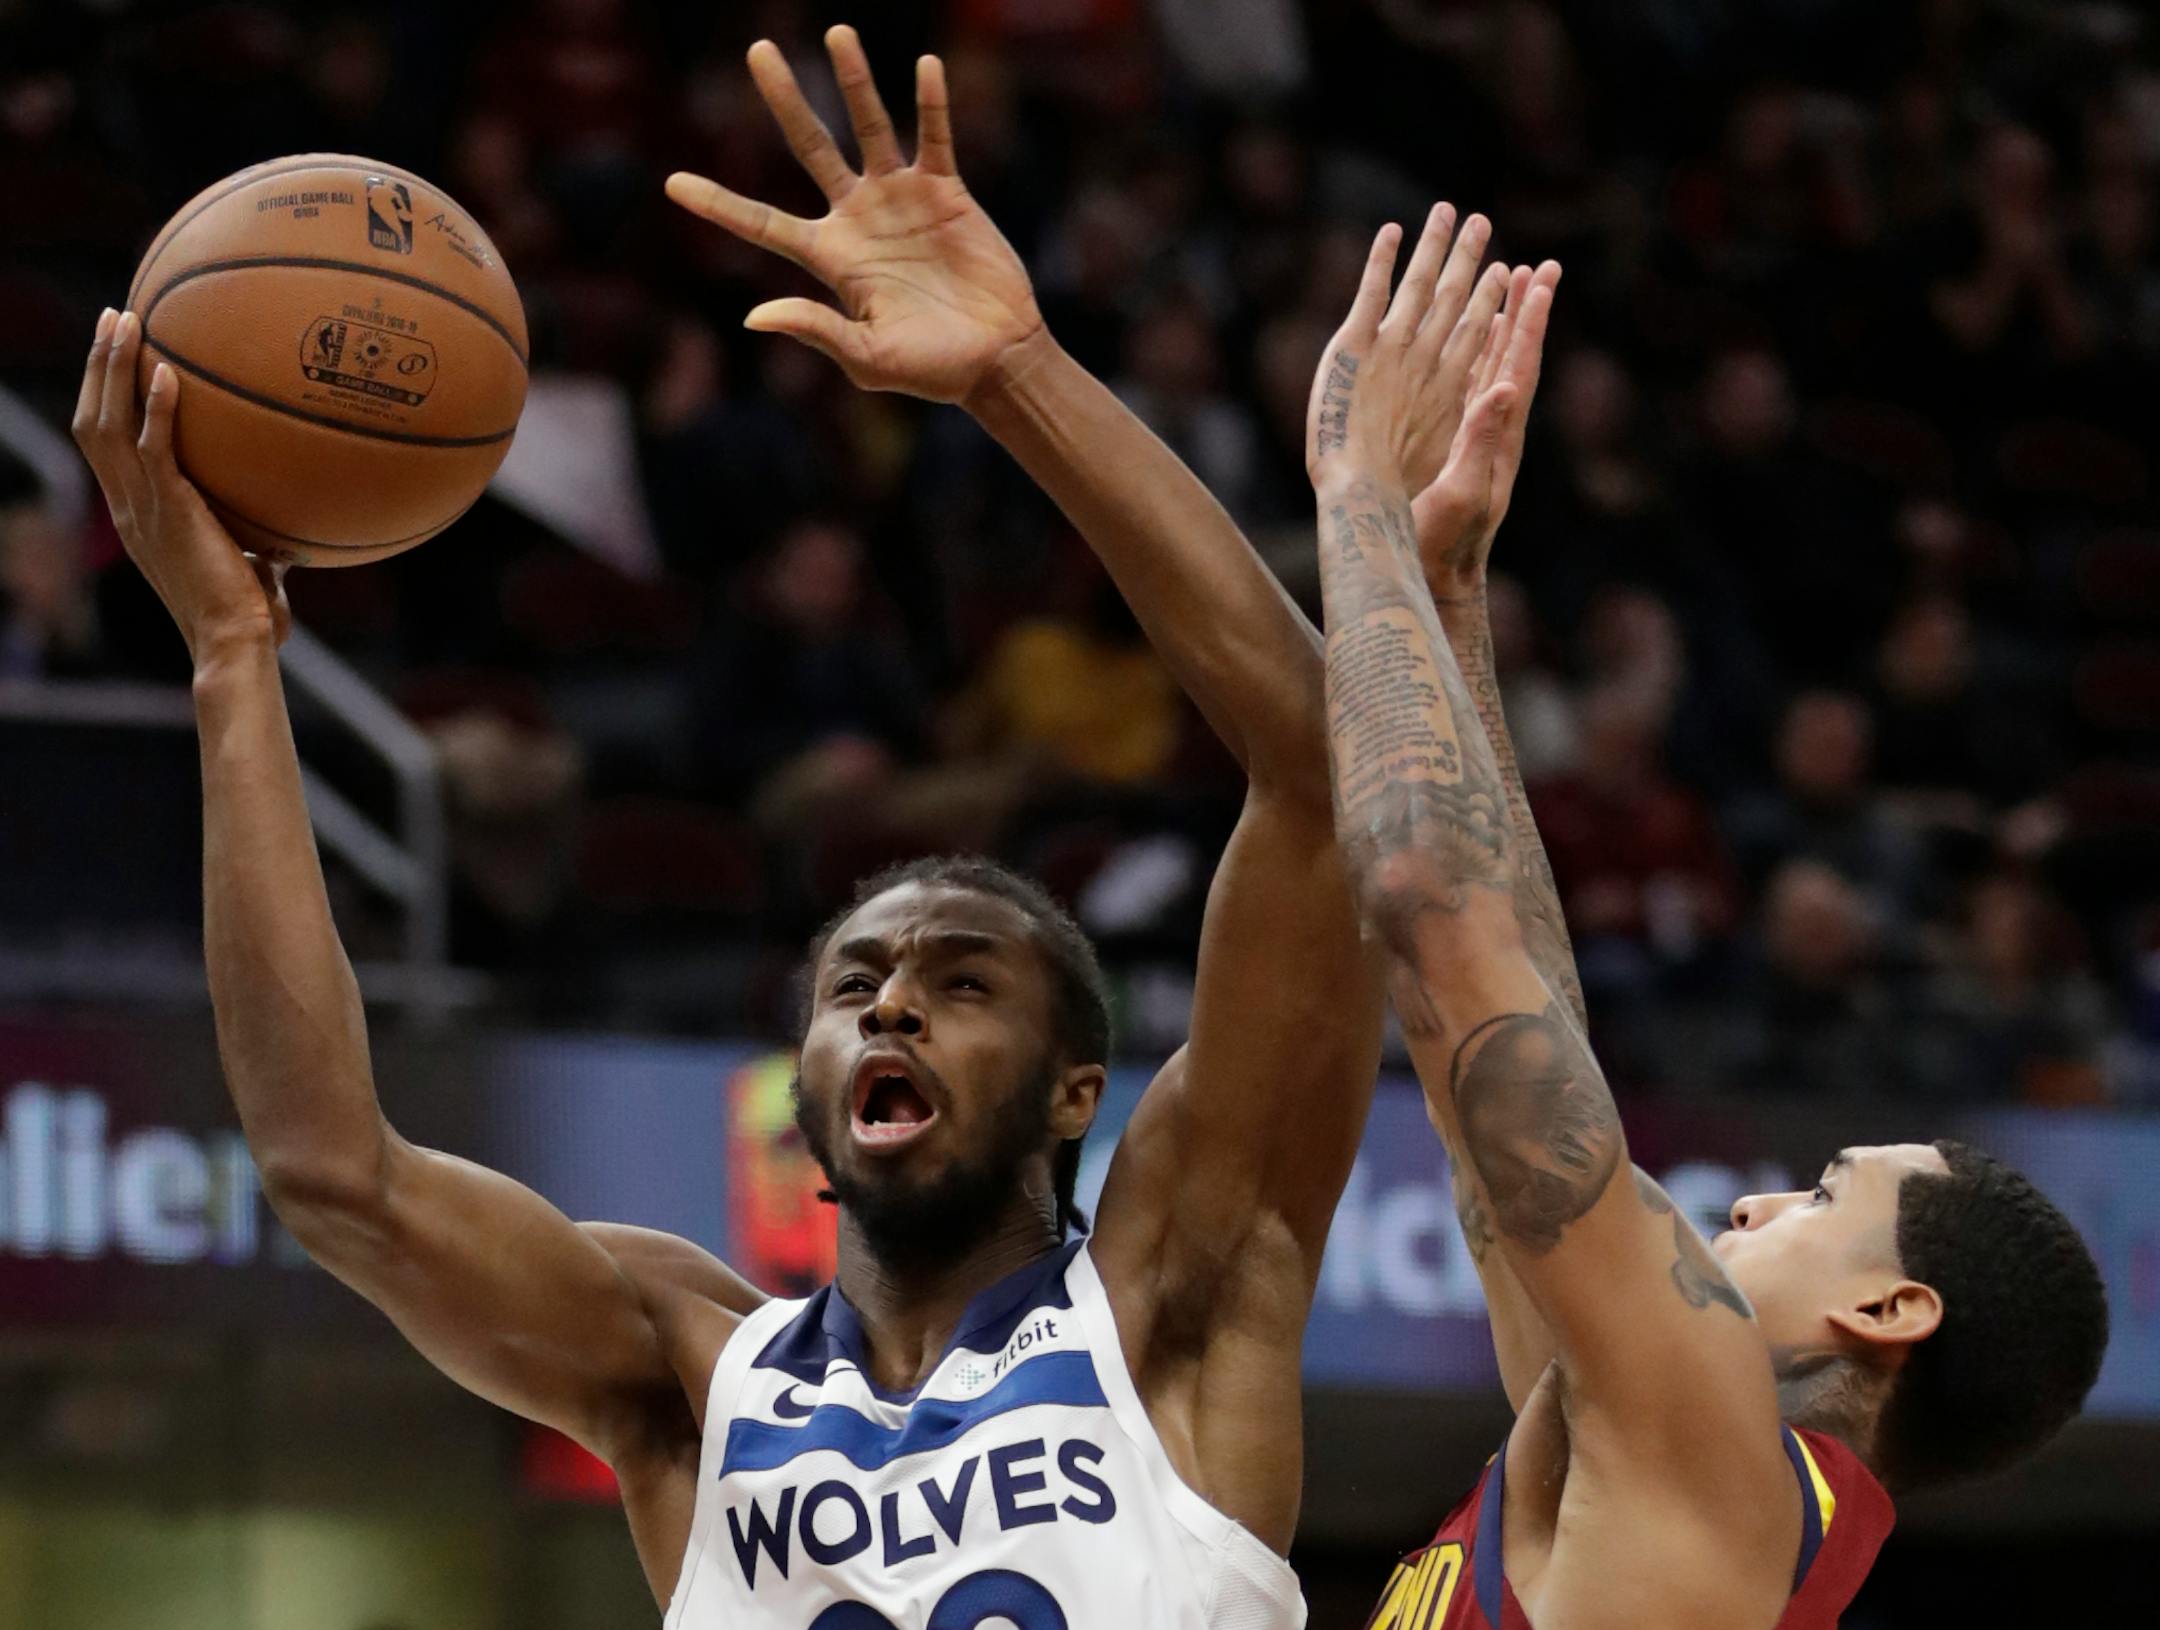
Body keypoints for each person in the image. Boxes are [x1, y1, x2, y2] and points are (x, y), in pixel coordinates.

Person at [69, 25, 1460, 1628]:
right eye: (855, 980)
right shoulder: (688, 1368)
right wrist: (235, 662)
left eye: (959, 979)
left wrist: (1018, 376)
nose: (888, 1000)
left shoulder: (1177, 1294)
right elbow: (330, 1173)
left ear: (1083, 1088)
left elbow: (1312, 769)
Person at [1301, 210, 2110, 1628]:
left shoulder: (1720, 1471)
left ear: (1890, 1311)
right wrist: (1444, 592)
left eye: (1822, 1194)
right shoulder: (1688, 1468)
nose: (1753, 1198)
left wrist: (1352, 488)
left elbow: (1430, 906)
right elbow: (1507, 1067)